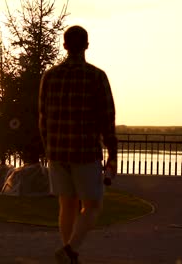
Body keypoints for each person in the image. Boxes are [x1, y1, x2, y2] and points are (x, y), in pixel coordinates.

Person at [39, 25, 118, 264]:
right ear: (86, 45)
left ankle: (68, 253)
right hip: (85, 152)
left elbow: (42, 117)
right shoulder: (96, 76)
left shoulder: (50, 76)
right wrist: (112, 155)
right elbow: (107, 118)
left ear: (64, 46)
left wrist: (48, 148)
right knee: (93, 205)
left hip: (57, 151)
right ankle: (70, 250)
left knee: (67, 205)